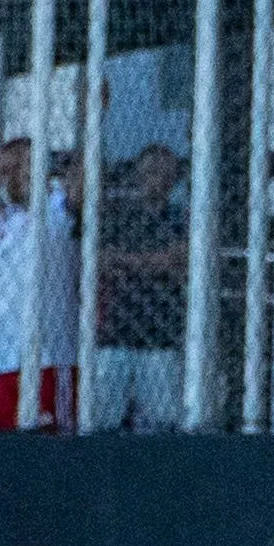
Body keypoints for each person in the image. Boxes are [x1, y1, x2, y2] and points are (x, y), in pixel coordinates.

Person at [0, 139, 79, 432]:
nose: (16, 172)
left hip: (49, 355)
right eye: (10, 167)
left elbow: (81, 184)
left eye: (24, 164)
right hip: (5, 356)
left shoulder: (57, 206)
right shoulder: (3, 217)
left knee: (51, 449)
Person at [95, 144, 190, 432]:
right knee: (102, 420)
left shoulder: (179, 218)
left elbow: (179, 260)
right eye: (149, 171)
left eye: (163, 172)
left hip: (161, 333)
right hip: (117, 329)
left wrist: (127, 262)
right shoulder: (119, 216)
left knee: (162, 423)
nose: (156, 178)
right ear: (137, 174)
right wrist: (154, 262)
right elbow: (102, 261)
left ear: (174, 178)